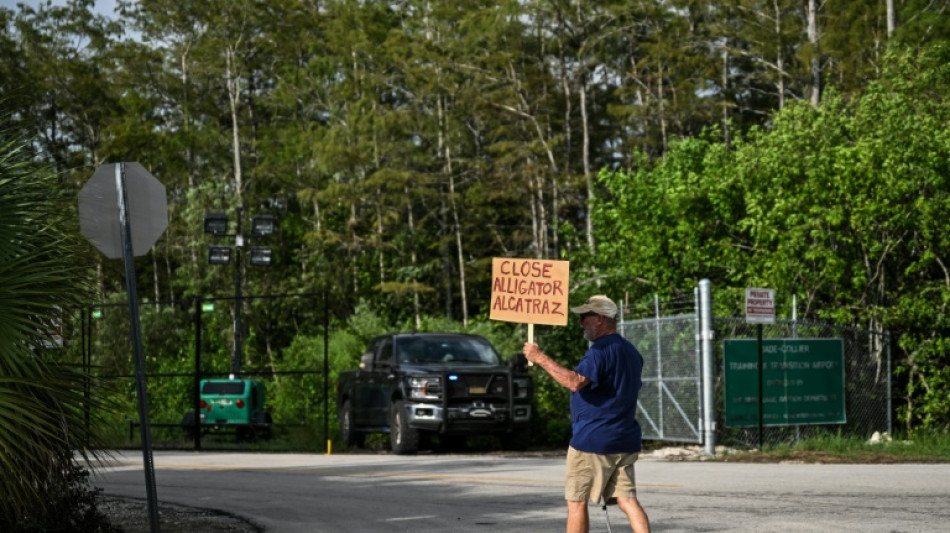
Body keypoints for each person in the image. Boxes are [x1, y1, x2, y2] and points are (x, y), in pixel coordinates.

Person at [523, 294, 651, 533]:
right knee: (627, 499)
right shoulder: (631, 351)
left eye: (585, 317)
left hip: (593, 440)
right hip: (624, 438)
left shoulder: (600, 351)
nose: (581, 323)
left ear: (600, 319)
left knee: (576, 502)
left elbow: (574, 382)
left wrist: (539, 358)